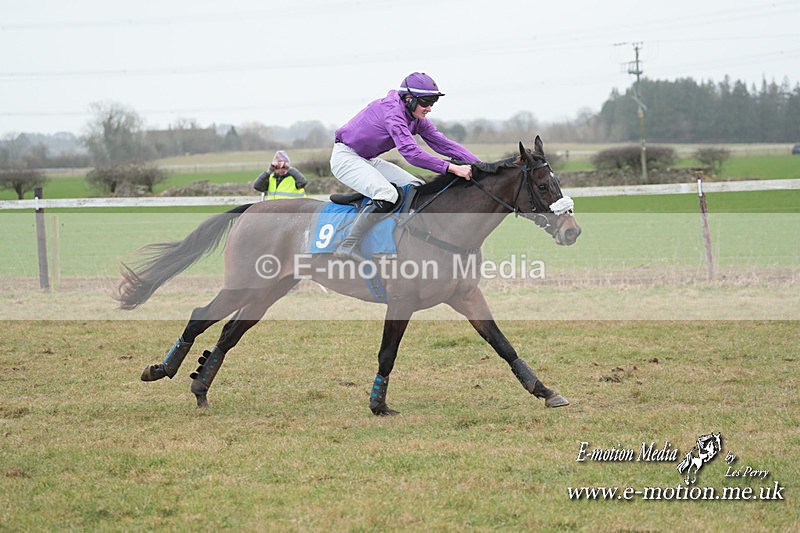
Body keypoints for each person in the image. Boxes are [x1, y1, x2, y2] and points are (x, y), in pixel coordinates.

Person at [330, 72, 479, 262]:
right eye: (426, 102)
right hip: (346, 158)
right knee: (387, 194)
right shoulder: (392, 113)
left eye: (433, 102)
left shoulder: (416, 118)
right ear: (409, 99)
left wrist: (481, 165)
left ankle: (402, 239)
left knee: (416, 187)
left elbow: (444, 144)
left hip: (367, 159)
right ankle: (347, 245)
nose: (429, 108)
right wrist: (452, 168)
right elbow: (412, 154)